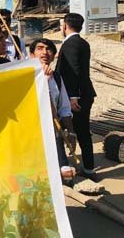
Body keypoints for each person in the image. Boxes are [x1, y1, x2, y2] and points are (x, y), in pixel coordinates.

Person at [56, 13, 97, 180]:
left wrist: (73, 97)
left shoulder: (70, 45)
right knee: (82, 132)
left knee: (79, 132)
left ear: (65, 26)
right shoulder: (82, 42)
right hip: (84, 93)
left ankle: (86, 170)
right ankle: (87, 168)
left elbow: (73, 71)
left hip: (76, 97)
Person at [30, 38, 74, 169]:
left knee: (62, 171)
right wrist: (42, 81)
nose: (45, 52)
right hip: (31, 135)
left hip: (53, 132)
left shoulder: (57, 78)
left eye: (48, 49)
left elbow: (64, 108)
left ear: (54, 56)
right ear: (31, 55)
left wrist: (71, 132)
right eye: (40, 48)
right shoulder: (24, 77)